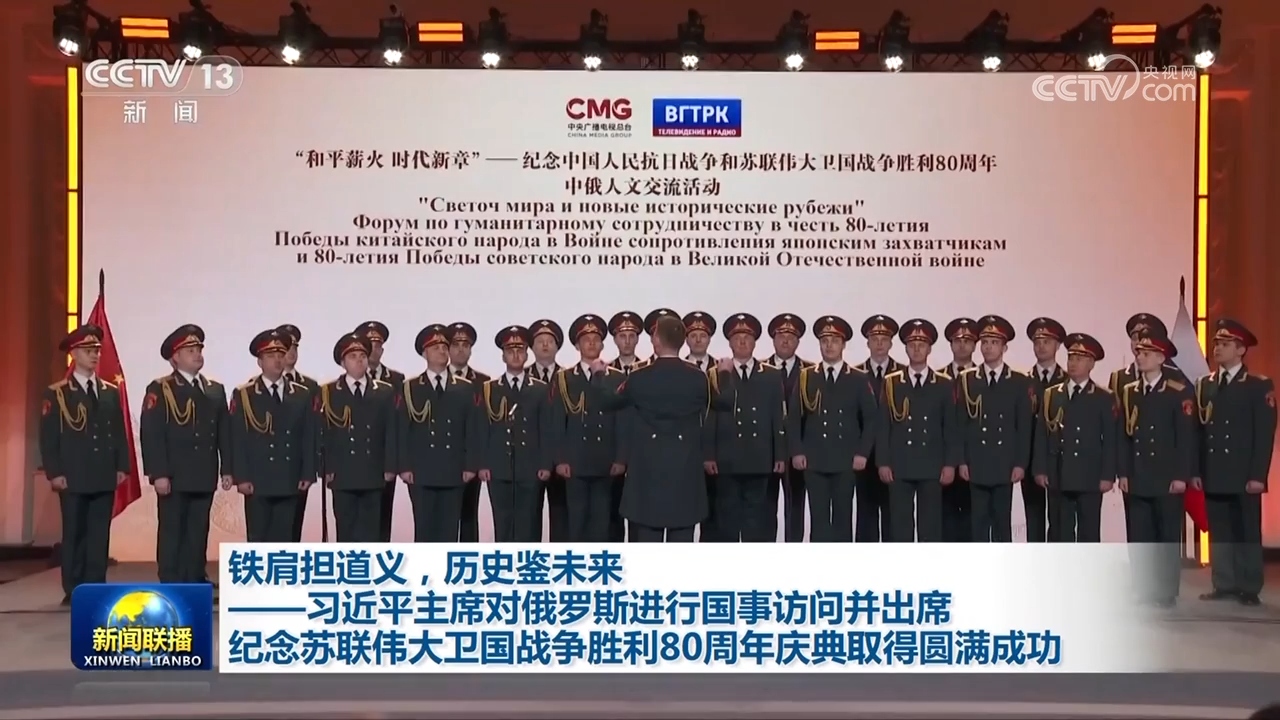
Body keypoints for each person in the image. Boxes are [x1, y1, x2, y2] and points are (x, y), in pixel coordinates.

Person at [585, 315, 736, 542]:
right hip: (685, 472)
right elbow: (725, 402)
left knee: (647, 545)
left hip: (647, 474)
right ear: (682, 341)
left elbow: (605, 403)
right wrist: (724, 373)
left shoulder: (639, 377)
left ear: (656, 340)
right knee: (680, 543)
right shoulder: (698, 378)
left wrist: (598, 374)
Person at [39, 324, 130, 605]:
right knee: (75, 533)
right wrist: (54, 472)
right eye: (88, 350)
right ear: (74, 354)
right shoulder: (57, 394)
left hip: (103, 473)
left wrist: (122, 466)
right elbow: (49, 437)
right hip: (73, 475)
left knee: (99, 534)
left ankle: (95, 585)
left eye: (97, 351)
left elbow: (118, 432)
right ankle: (74, 587)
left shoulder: (109, 391)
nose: (94, 355)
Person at [139, 324, 231, 584]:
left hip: (203, 472)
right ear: (175, 357)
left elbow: (224, 433)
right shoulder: (161, 389)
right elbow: (152, 433)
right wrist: (158, 473)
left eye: (199, 349)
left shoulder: (214, 389)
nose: (197, 354)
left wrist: (227, 469)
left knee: (198, 529)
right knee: (172, 529)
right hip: (174, 474)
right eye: (190, 350)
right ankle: (170, 578)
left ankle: (195, 575)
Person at [1193, 319, 1276, 606]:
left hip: (1243, 473)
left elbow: (1263, 434)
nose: (1218, 348)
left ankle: (1249, 586)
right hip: (1214, 470)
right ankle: (1224, 583)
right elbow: (1198, 432)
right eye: (1216, 343)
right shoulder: (1204, 385)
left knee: (1246, 531)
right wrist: (1196, 470)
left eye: (1225, 344)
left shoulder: (1257, 385)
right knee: (1220, 530)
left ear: (1241, 350)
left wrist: (1258, 475)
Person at [1117, 332, 1194, 608]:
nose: (1140, 357)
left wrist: (1181, 475)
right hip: (1138, 475)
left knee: (1166, 536)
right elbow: (1124, 437)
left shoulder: (1177, 391)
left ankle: (1165, 590)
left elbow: (1185, 437)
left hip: (1166, 476)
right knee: (1140, 536)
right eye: (1138, 352)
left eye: (1146, 353)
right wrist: (1123, 472)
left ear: (1161, 358)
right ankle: (1143, 587)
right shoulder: (1130, 391)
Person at [786, 315, 878, 543]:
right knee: (818, 520)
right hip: (814, 460)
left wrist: (863, 453)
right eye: (825, 341)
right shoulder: (806, 376)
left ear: (843, 345)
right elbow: (794, 418)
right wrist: (797, 451)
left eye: (835, 341)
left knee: (842, 519)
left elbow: (871, 419)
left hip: (846, 461)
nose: (829, 346)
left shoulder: (858, 378)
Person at [393, 324, 482, 543]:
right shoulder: (409, 388)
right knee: (424, 529)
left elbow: (472, 429)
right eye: (435, 348)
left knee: (449, 530)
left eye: (444, 347)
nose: (442, 351)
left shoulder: (464, 387)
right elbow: (402, 431)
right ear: (424, 353)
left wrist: (471, 465)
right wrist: (404, 466)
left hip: (453, 469)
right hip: (421, 471)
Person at [704, 313, 786, 542]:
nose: (742, 342)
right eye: (737, 338)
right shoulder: (716, 373)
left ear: (755, 342)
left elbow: (778, 416)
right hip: (726, 458)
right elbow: (710, 416)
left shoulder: (771, 374)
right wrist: (708, 454)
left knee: (756, 519)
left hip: (759, 457)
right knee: (727, 518)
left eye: (747, 337)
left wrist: (780, 454)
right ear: (729, 343)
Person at [229, 328, 316, 543]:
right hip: (257, 480)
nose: (277, 360)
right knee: (258, 538)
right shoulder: (245, 394)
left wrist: (307, 473)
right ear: (260, 362)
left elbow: (308, 436)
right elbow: (238, 439)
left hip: (289, 477)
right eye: (270, 356)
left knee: (285, 538)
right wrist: (241, 477)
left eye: (280, 355)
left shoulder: (301, 394)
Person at [875, 319, 958, 543]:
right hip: (900, 464)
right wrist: (883, 462)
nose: (917, 349)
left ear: (929, 349)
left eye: (922, 345)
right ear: (905, 349)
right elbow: (883, 426)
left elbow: (950, 428)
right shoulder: (892, 382)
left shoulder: (943, 383)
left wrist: (950, 464)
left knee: (930, 525)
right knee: (900, 524)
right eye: (912, 345)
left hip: (932, 465)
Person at [955, 314, 1033, 543]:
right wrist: (962, 461)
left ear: (1004, 347)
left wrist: (1020, 463)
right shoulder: (967, 379)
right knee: (977, 524)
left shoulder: (1018, 381)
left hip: (1003, 463)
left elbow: (1023, 427)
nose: (988, 347)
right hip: (976, 462)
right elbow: (960, 424)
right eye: (985, 342)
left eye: (994, 343)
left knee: (1001, 523)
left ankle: (1002, 563)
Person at [1031, 332, 1116, 543]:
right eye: (1070, 358)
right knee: (1059, 530)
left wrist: (1107, 475)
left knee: (1089, 532)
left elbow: (1110, 440)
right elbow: (1042, 434)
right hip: (1058, 474)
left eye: (1079, 359)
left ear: (1091, 364)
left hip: (1090, 476)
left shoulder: (1103, 397)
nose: (1073, 363)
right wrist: (1040, 469)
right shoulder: (1052, 394)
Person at [549, 314, 627, 542]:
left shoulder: (616, 377)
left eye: (596, 339)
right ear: (577, 345)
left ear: (603, 345)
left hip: (606, 461)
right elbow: (557, 422)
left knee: (602, 522)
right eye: (586, 340)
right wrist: (560, 460)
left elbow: (622, 421)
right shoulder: (563, 379)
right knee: (576, 521)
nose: (591, 343)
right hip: (575, 462)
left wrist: (621, 458)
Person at [315, 332, 396, 542]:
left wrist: (390, 466)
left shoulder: (384, 392)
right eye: (353, 356)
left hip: (373, 472)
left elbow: (391, 432)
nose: (359, 360)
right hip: (342, 474)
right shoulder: (328, 392)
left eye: (362, 356)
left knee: (372, 531)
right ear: (343, 363)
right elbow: (322, 435)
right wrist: (325, 467)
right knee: (346, 529)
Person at [477, 326, 553, 542]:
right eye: (510, 351)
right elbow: (483, 429)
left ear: (527, 355)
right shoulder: (489, 389)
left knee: (529, 521)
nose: (516, 355)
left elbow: (546, 428)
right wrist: (483, 464)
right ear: (503, 356)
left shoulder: (540, 389)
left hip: (530, 467)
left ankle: (529, 563)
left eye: (520, 351)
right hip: (499, 468)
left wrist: (546, 464)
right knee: (503, 523)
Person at [354, 321, 405, 542]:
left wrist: (395, 463)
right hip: (355, 459)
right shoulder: (347, 382)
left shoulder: (396, 380)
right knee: (354, 519)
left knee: (383, 515)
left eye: (377, 345)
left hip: (384, 459)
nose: (374, 349)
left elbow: (398, 423)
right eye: (369, 345)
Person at [854, 314, 902, 542]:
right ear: (868, 343)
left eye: (884, 339)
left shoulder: (903, 374)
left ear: (891, 343)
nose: (879, 343)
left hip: (896, 456)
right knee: (866, 516)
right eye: (875, 339)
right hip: (864, 457)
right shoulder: (855, 375)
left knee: (894, 516)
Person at [446, 321, 491, 542]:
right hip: (444, 457)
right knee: (445, 517)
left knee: (469, 514)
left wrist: (479, 462)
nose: (461, 349)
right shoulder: (436, 379)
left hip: (471, 458)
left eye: (465, 345)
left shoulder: (483, 382)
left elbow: (484, 426)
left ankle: (469, 558)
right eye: (456, 344)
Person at [765, 313, 808, 543]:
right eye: (781, 336)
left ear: (798, 341)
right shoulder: (760, 370)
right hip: (766, 450)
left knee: (795, 507)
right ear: (773, 339)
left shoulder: (810, 371)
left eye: (791, 337)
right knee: (765, 507)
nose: (785, 340)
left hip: (796, 451)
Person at [1024, 317, 1067, 543]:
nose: (1041, 346)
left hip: (1061, 460)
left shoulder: (1068, 381)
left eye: (1047, 342)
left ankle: (1056, 561)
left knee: (1059, 520)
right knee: (1034, 519)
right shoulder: (1023, 381)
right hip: (1031, 460)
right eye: (1037, 342)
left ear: (1057, 345)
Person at [277, 323, 320, 542]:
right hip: (269, 468)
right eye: (287, 347)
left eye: (295, 347)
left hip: (298, 466)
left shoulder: (311, 387)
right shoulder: (252, 388)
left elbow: (313, 430)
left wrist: (311, 469)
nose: (292, 352)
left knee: (295, 523)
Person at [939, 317, 978, 542]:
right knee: (945, 519)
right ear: (951, 344)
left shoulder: (983, 378)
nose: (962, 345)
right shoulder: (938, 378)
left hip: (974, 460)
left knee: (972, 520)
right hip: (943, 460)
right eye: (957, 341)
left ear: (974, 345)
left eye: (967, 341)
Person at [528, 318, 568, 542]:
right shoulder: (522, 378)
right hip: (532, 460)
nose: (545, 345)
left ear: (557, 346)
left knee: (561, 518)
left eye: (550, 341)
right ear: (532, 347)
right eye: (540, 341)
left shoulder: (568, 378)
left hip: (562, 460)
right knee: (529, 517)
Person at [606, 311, 643, 541]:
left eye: (631, 336)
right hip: (612, 452)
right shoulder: (605, 372)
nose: (627, 341)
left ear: (638, 339)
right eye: (622, 336)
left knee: (640, 513)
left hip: (643, 453)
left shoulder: (648, 370)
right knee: (613, 513)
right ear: (615, 340)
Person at [683, 311, 720, 541]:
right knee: (683, 508)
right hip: (683, 449)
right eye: (693, 335)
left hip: (715, 450)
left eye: (703, 335)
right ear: (685, 339)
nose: (698, 340)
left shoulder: (722, 369)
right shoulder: (677, 368)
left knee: (714, 511)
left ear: (709, 339)